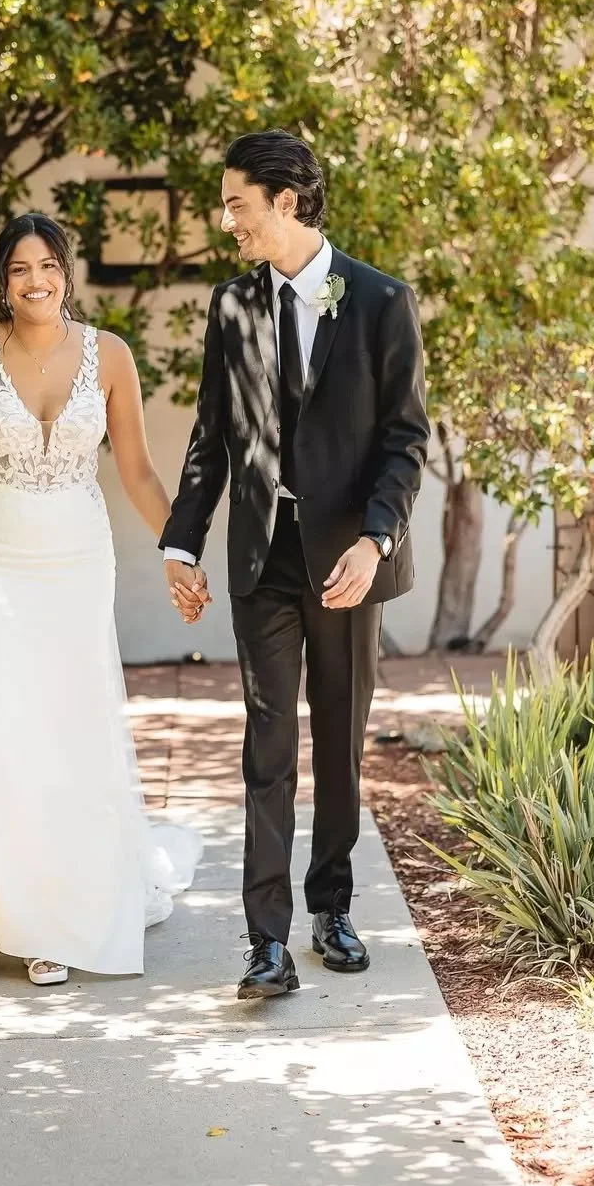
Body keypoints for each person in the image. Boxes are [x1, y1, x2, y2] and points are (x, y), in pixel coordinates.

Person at [0, 212, 204, 985]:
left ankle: (53, 917)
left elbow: (137, 473)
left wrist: (180, 553)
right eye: (19, 268)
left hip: (77, 562)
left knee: (64, 729)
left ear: (67, 271)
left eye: (48, 265)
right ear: (2, 280)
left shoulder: (110, 356)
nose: (36, 281)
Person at [160, 130, 430, 999]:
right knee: (266, 743)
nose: (226, 219)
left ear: (287, 201)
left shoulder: (384, 302)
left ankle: (333, 907)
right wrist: (179, 541)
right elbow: (213, 434)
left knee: (341, 744)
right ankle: (265, 941)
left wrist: (375, 537)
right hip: (260, 561)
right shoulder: (231, 305)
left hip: (349, 560)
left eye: (237, 203)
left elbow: (404, 441)